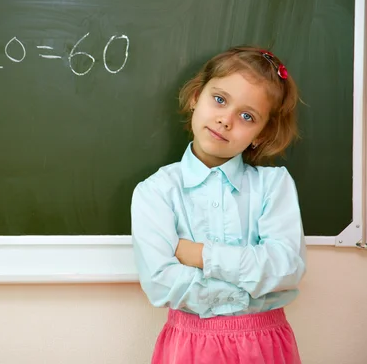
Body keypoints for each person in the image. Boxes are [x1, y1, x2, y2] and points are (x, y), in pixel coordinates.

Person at [131, 46, 307, 363]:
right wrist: (249, 291)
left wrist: (201, 255)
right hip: (190, 346)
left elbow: (285, 269)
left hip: (264, 345)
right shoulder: (155, 192)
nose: (226, 120)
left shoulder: (273, 186)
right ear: (197, 96)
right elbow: (161, 283)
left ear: (260, 134)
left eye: (247, 116)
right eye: (220, 99)